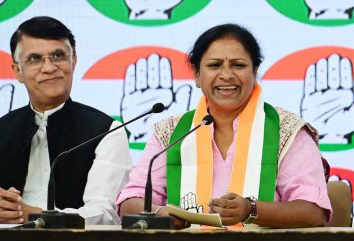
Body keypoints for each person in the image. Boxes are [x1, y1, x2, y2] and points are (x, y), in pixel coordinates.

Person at [116, 23, 332, 228]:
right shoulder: (171, 132)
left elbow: (313, 212)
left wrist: (251, 210)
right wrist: (160, 214)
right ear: (197, 74)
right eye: (214, 65)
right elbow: (130, 203)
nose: (227, 75)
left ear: (255, 71)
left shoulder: (287, 130)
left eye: (238, 65)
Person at [0, 16, 132, 225]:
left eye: (58, 55)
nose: (48, 68)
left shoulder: (107, 131)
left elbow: (105, 213)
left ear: (73, 62)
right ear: (17, 71)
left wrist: (34, 215)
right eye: (34, 58)